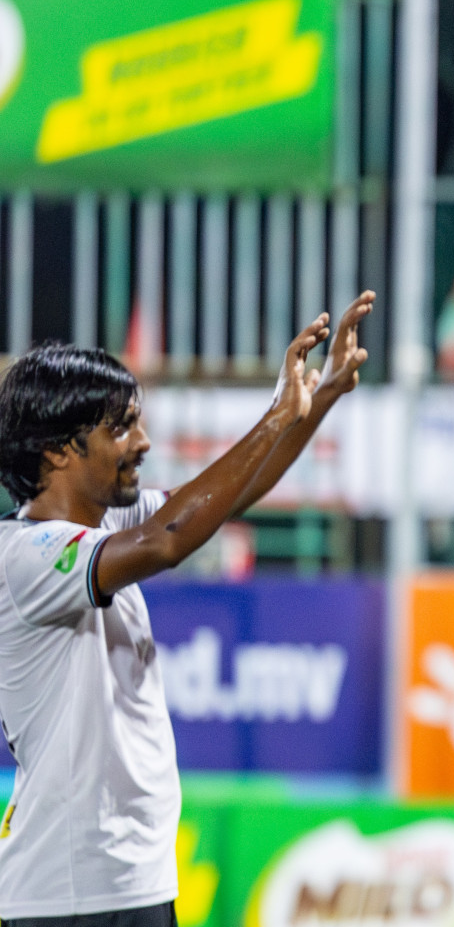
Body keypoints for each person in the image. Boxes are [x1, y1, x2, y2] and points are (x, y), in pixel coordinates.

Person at [0, 291, 374, 927]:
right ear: (59, 450)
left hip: (133, 882)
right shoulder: (25, 556)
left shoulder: (108, 523)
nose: (143, 442)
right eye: (119, 427)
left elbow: (226, 498)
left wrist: (318, 401)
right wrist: (275, 415)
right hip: (63, 894)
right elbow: (170, 538)